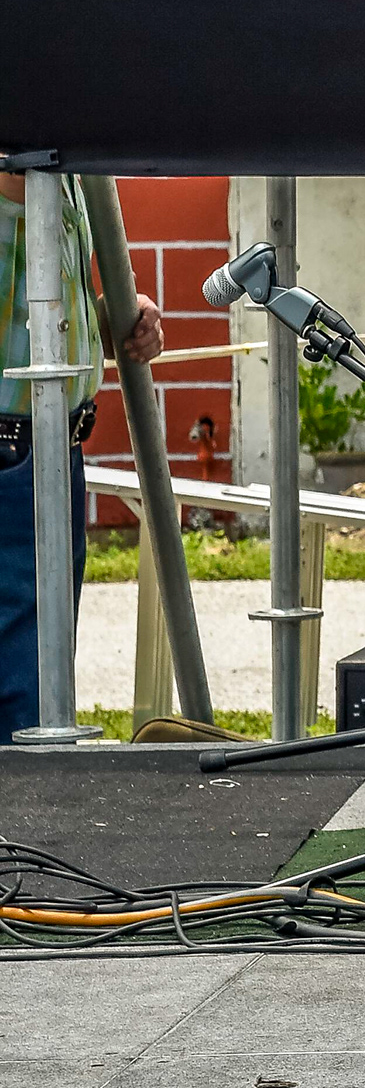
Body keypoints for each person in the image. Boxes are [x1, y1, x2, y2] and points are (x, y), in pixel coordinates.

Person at [0, 171, 163, 743]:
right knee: (25, 690)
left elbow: (36, 296)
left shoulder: (70, 169)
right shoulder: (37, 155)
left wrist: (110, 317)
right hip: (13, 451)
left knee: (42, 673)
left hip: (51, 445)